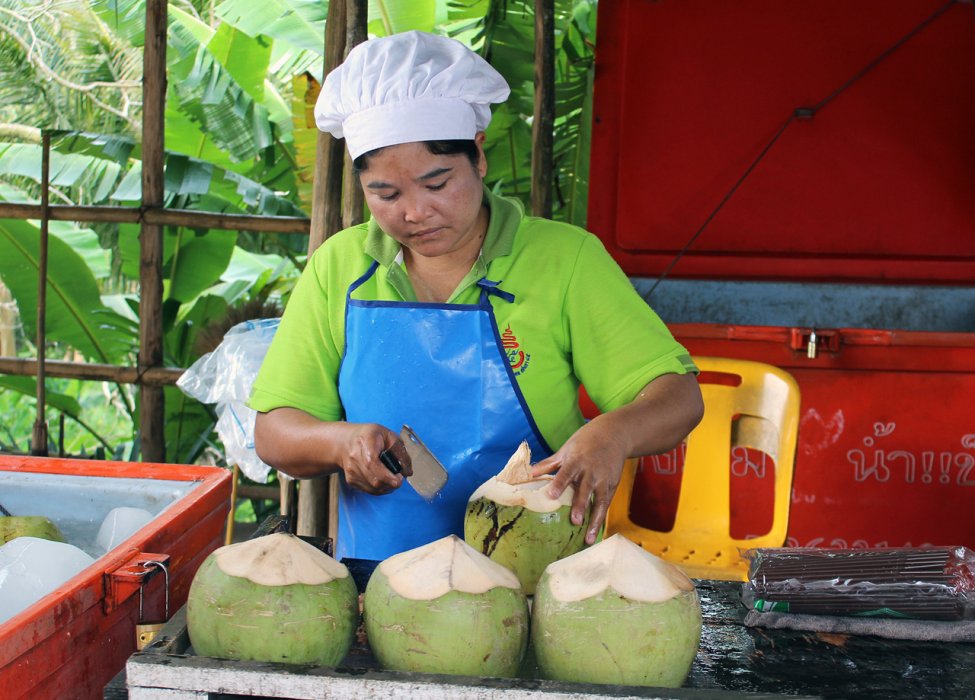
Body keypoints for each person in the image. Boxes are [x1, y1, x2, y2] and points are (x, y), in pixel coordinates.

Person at [250, 30, 703, 563]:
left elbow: (678, 396)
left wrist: (614, 434)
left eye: (437, 184)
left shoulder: (564, 259)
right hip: (377, 580)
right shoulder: (341, 267)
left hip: (535, 586)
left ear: (479, 158)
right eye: (385, 194)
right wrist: (339, 443)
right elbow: (275, 431)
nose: (414, 213)